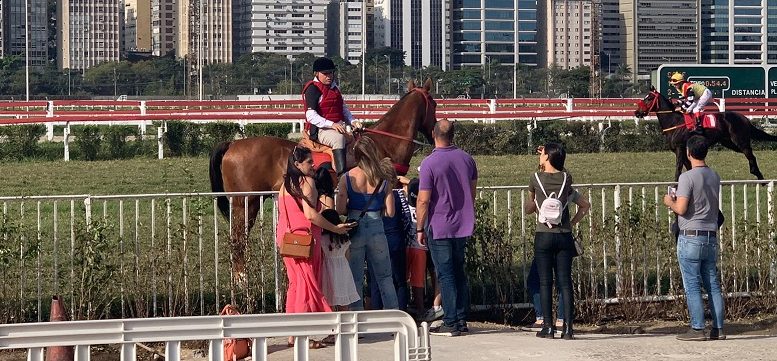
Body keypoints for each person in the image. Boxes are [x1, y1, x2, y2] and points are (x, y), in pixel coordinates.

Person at [277, 146, 353, 349]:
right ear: (298, 164)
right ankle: (301, 335)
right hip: (305, 242)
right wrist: (335, 229)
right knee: (305, 287)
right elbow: (311, 215)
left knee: (295, 286)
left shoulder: (285, 185)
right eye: (309, 162)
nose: (313, 165)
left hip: (287, 240)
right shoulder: (307, 183)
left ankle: (293, 334)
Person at [415, 120, 478, 337]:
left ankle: (450, 321)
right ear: (453, 134)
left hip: (439, 224)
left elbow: (423, 200)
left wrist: (419, 228)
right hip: (463, 223)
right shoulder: (467, 159)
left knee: (446, 274)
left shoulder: (429, 163)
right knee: (459, 272)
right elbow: (472, 192)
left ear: (433, 133)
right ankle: (460, 319)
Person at [525, 142, 590, 340]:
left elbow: (528, 208)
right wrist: (571, 221)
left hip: (544, 235)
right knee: (565, 282)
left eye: (543, 153)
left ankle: (548, 327)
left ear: (547, 157)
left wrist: (536, 204)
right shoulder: (566, 179)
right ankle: (568, 329)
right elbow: (584, 205)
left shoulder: (535, 178)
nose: (540, 155)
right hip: (564, 235)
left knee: (545, 282)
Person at [663, 135, 725, 341]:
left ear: (689, 153)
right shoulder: (714, 175)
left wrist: (669, 201)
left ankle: (697, 328)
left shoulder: (686, 177)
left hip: (690, 235)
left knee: (691, 284)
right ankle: (718, 327)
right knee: (712, 283)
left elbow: (681, 208)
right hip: (710, 234)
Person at [336, 136, 399, 311]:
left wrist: (352, 206)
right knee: (385, 277)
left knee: (355, 278)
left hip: (355, 227)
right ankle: (393, 320)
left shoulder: (347, 178)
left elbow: (340, 209)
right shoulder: (384, 179)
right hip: (377, 227)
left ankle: (358, 323)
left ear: (356, 155)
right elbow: (390, 212)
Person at [302, 57, 361, 175]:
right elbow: (311, 116)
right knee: (338, 139)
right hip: (319, 130)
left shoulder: (335, 88)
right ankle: (341, 176)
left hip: (336, 128)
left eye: (331, 73)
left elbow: (343, 109)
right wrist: (332, 124)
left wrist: (353, 121)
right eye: (325, 73)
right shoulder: (312, 89)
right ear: (316, 73)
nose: (329, 76)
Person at [314, 168, 360, 312]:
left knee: (330, 298)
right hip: (342, 267)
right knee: (343, 299)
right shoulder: (328, 198)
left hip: (327, 256)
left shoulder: (316, 199)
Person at [368, 178, 410, 312]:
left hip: (375, 237)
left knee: (375, 281)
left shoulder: (370, 194)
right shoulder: (398, 195)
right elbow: (407, 217)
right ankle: (401, 313)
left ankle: (376, 315)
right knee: (399, 281)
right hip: (395, 238)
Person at [522, 259, 564, 333]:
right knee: (564, 282)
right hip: (562, 250)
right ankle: (562, 321)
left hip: (544, 250)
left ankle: (541, 319)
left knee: (535, 280)